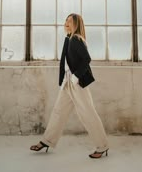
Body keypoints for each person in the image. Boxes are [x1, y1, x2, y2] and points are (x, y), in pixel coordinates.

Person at [30, 13, 109, 159]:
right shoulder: (69, 38)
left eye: (70, 21)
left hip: (76, 83)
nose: (66, 23)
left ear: (76, 24)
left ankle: (102, 146)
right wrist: (66, 80)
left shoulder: (76, 39)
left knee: (88, 114)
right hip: (68, 83)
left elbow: (87, 59)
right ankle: (47, 141)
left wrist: (76, 77)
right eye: (66, 20)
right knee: (58, 112)